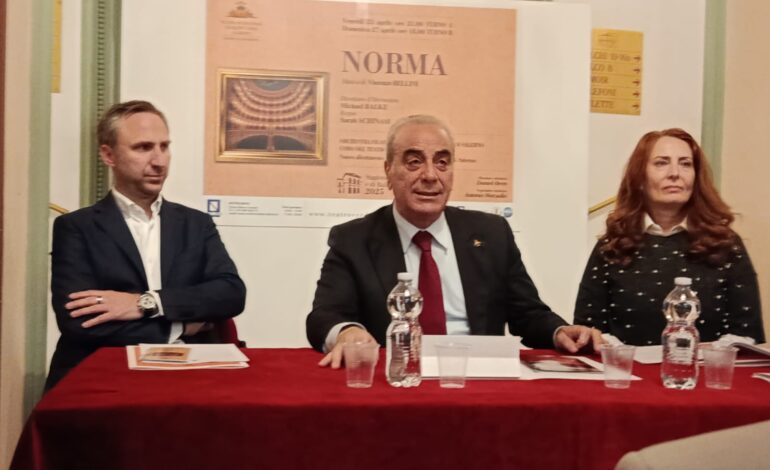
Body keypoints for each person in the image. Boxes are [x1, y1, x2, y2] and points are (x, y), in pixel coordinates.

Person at [306, 114, 602, 367]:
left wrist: (559, 331)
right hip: (398, 380)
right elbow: (325, 316)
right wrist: (346, 332)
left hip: (479, 382)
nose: (430, 175)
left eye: (442, 162)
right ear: (388, 171)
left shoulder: (492, 234)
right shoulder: (354, 240)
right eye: (414, 162)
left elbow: (527, 313)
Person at [46, 100, 247, 389]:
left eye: (164, 147)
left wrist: (145, 303)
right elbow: (78, 321)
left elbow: (230, 294)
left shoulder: (196, 224)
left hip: (190, 375)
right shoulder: (77, 227)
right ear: (108, 155)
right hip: (104, 376)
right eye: (143, 148)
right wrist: (180, 326)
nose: (159, 161)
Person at [574, 128, 765, 345]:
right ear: (639, 178)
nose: (675, 173)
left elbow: (747, 334)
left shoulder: (725, 243)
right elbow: (588, 333)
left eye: (685, 164)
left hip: (707, 366)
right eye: (661, 163)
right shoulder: (612, 245)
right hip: (626, 366)